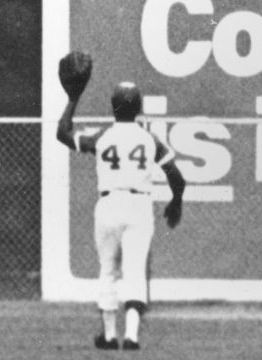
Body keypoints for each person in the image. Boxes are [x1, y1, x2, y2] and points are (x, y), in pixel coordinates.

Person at [56, 57, 185, 352]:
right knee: (135, 270)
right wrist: (176, 202)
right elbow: (177, 176)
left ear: (113, 107)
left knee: (107, 270)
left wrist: (73, 99)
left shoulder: (103, 137)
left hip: (109, 204)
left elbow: (63, 134)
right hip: (139, 206)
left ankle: (110, 335)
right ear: (139, 108)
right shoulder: (149, 139)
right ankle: (133, 336)